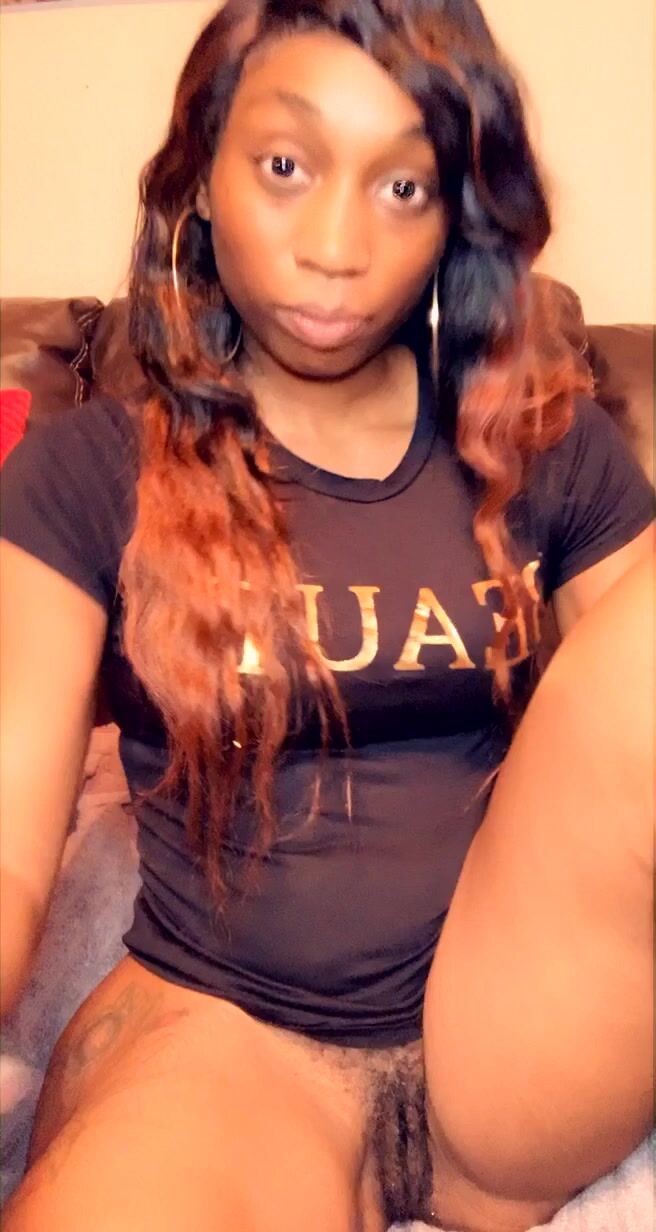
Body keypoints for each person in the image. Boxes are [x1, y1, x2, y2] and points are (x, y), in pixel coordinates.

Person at [1, 2, 653, 1229]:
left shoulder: (542, 444)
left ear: (454, 212)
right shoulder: (85, 474)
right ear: (202, 176)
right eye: (287, 166)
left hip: (514, 1027)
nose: (339, 246)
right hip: (235, 1037)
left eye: (402, 186)